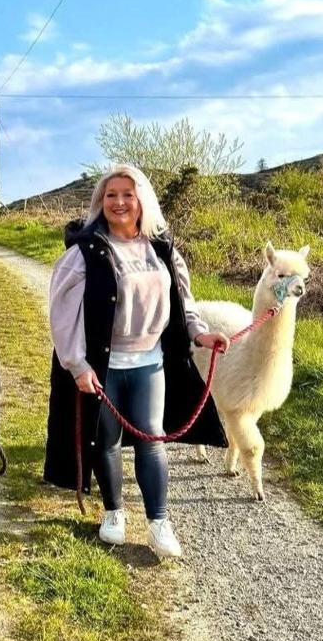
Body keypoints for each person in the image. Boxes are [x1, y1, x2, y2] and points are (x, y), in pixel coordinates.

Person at [44, 165, 229, 557]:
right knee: (106, 440)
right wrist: (77, 365)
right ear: (100, 201)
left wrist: (199, 332)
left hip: (150, 361)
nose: (119, 202)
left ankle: (159, 523)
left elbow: (183, 301)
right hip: (103, 365)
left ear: (142, 199)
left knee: (151, 437)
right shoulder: (85, 251)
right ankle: (114, 512)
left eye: (128, 194)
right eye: (111, 195)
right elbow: (63, 316)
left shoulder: (161, 248)